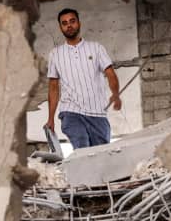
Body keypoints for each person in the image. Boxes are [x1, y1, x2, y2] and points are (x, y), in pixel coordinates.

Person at [45, 8, 121, 148]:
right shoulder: (55, 54)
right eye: (64, 23)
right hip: (71, 112)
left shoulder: (96, 48)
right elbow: (53, 87)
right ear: (60, 27)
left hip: (97, 113)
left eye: (72, 21)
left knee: (100, 155)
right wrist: (50, 119)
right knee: (81, 146)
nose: (69, 25)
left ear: (79, 23)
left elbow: (110, 74)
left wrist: (115, 95)